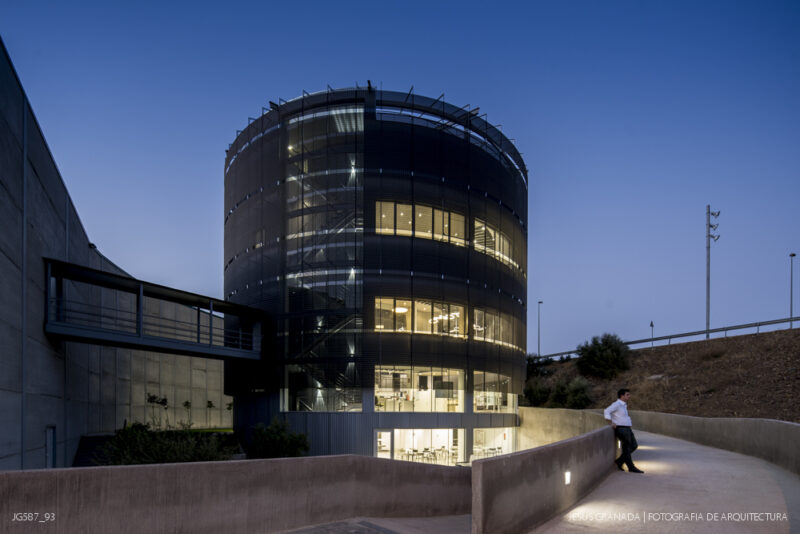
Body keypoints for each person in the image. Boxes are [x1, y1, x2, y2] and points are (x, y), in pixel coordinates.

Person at [604, 388, 644, 474]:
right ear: (622, 396)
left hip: (627, 428)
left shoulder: (623, 405)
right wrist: (610, 423)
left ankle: (619, 461)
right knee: (626, 448)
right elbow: (606, 411)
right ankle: (631, 467)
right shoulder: (616, 404)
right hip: (621, 429)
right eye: (627, 395)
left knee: (634, 446)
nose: (629, 396)